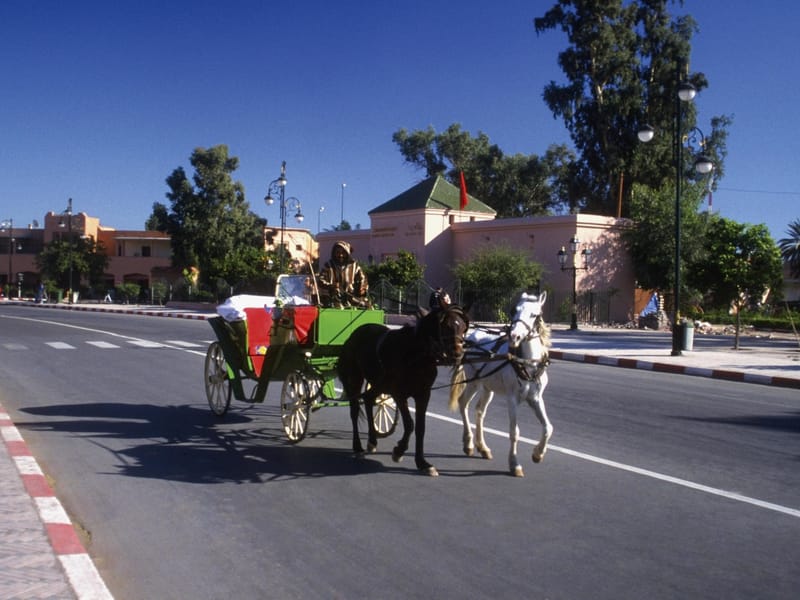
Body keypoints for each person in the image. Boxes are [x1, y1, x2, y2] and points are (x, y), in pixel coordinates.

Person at [318, 241, 369, 307]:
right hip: (332, 300)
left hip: (352, 300)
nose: (341, 255)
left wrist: (362, 289)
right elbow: (320, 280)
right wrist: (331, 286)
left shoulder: (354, 265)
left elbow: (363, 279)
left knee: (366, 306)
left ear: (347, 253)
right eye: (338, 252)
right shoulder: (328, 265)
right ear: (334, 253)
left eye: (343, 253)